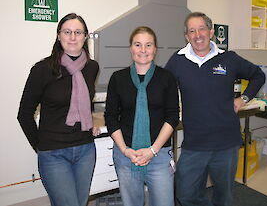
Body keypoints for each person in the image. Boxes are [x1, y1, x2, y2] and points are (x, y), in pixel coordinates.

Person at [165, 12, 265, 206]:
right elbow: (162, 87)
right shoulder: (178, 61)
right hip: (194, 144)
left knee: (224, 196)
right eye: (192, 31)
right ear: (187, 36)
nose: (197, 34)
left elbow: (258, 75)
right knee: (185, 193)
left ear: (211, 32)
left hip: (226, 143)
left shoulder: (229, 58)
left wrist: (243, 98)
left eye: (202, 29)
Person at [17, 13, 99, 206]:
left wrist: (91, 122)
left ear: (85, 36)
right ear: (58, 35)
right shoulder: (43, 69)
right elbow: (24, 114)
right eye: (67, 32)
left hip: (85, 150)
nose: (73, 37)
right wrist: (40, 145)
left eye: (78, 32)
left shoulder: (92, 67)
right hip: (54, 153)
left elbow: (84, 102)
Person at [105, 26, 179, 206]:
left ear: (155, 49)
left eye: (148, 45)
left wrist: (152, 150)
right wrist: (124, 150)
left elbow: (172, 116)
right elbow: (111, 117)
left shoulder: (167, 77)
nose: (143, 50)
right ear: (131, 48)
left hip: (159, 155)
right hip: (126, 155)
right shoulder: (118, 78)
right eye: (138, 45)